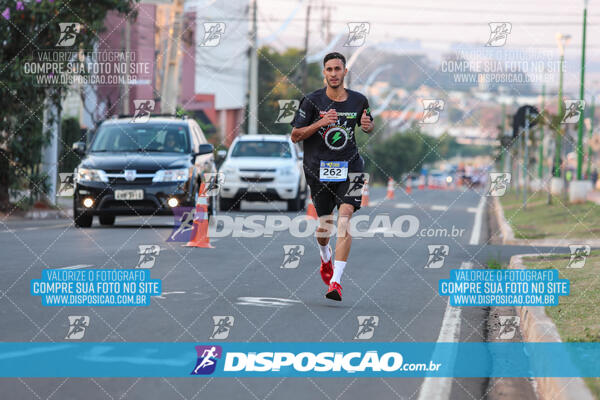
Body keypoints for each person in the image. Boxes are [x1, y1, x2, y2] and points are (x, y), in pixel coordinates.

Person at [290, 52, 374, 301]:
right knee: (324, 225)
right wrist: (320, 122)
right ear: (324, 73)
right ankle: (324, 255)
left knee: (345, 218)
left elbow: (367, 125)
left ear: (345, 72)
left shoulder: (359, 100)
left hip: (351, 167)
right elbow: (295, 135)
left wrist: (369, 127)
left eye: (338, 69)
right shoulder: (311, 101)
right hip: (318, 169)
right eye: (329, 69)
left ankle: (336, 282)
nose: (334, 73)